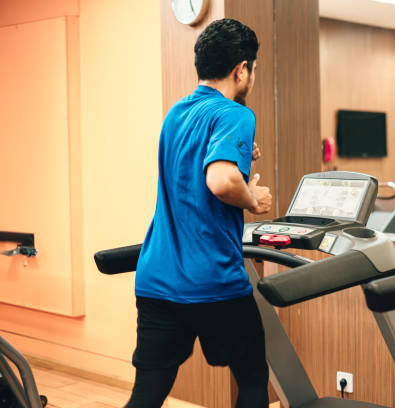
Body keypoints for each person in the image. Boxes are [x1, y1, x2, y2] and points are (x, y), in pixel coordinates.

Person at [127, 19, 272, 408]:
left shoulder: (176, 113)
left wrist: (241, 154)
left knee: (147, 395)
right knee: (254, 381)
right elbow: (221, 181)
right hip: (212, 282)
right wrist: (252, 198)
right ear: (242, 69)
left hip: (156, 281)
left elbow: (191, 170)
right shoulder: (236, 114)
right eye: (253, 70)